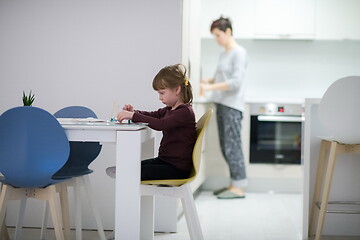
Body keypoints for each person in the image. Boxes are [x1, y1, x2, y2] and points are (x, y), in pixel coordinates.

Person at [106, 64, 196, 181]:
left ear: (177, 89)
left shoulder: (184, 112)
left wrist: (133, 116)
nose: (160, 98)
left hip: (176, 169)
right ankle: (123, 172)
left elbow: (161, 124)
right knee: (131, 167)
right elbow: (154, 115)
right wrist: (134, 112)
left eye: (162, 93)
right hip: (165, 162)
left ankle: (123, 174)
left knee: (130, 171)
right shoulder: (170, 109)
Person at [200, 17, 248, 199]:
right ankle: (233, 184)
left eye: (218, 35)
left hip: (232, 106)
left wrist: (210, 88)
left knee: (232, 146)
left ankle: (239, 187)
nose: (216, 39)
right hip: (221, 104)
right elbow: (222, 78)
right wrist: (210, 80)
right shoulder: (224, 54)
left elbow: (235, 82)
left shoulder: (239, 52)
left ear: (228, 31)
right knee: (225, 146)